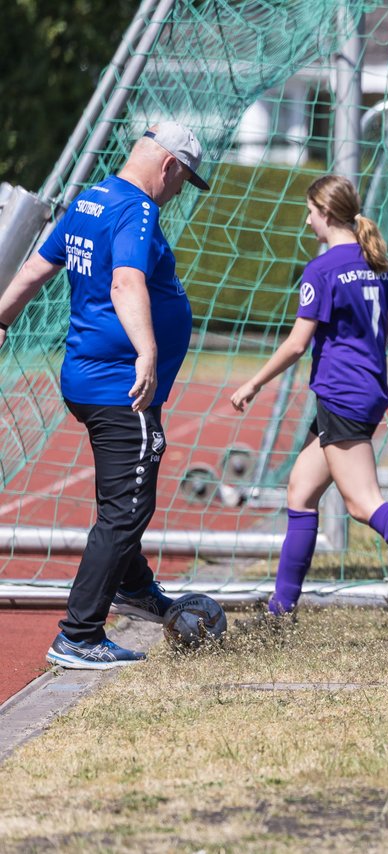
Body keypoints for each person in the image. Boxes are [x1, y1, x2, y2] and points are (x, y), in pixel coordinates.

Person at [0, 122, 209, 668]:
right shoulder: (137, 209)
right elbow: (125, 282)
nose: (179, 190)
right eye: (184, 180)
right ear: (169, 167)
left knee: (120, 498)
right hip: (120, 387)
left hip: (84, 377)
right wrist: (147, 351)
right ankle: (79, 634)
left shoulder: (90, 198)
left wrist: (3, 316)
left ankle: (136, 589)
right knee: (128, 506)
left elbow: (39, 266)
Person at [230, 174, 388, 628]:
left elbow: (296, 345)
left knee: (363, 503)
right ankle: (280, 612)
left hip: (342, 394)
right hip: (361, 391)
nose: (307, 221)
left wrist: (254, 383)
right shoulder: (375, 262)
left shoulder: (321, 270)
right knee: (301, 493)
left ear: (325, 214)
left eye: (309, 212)